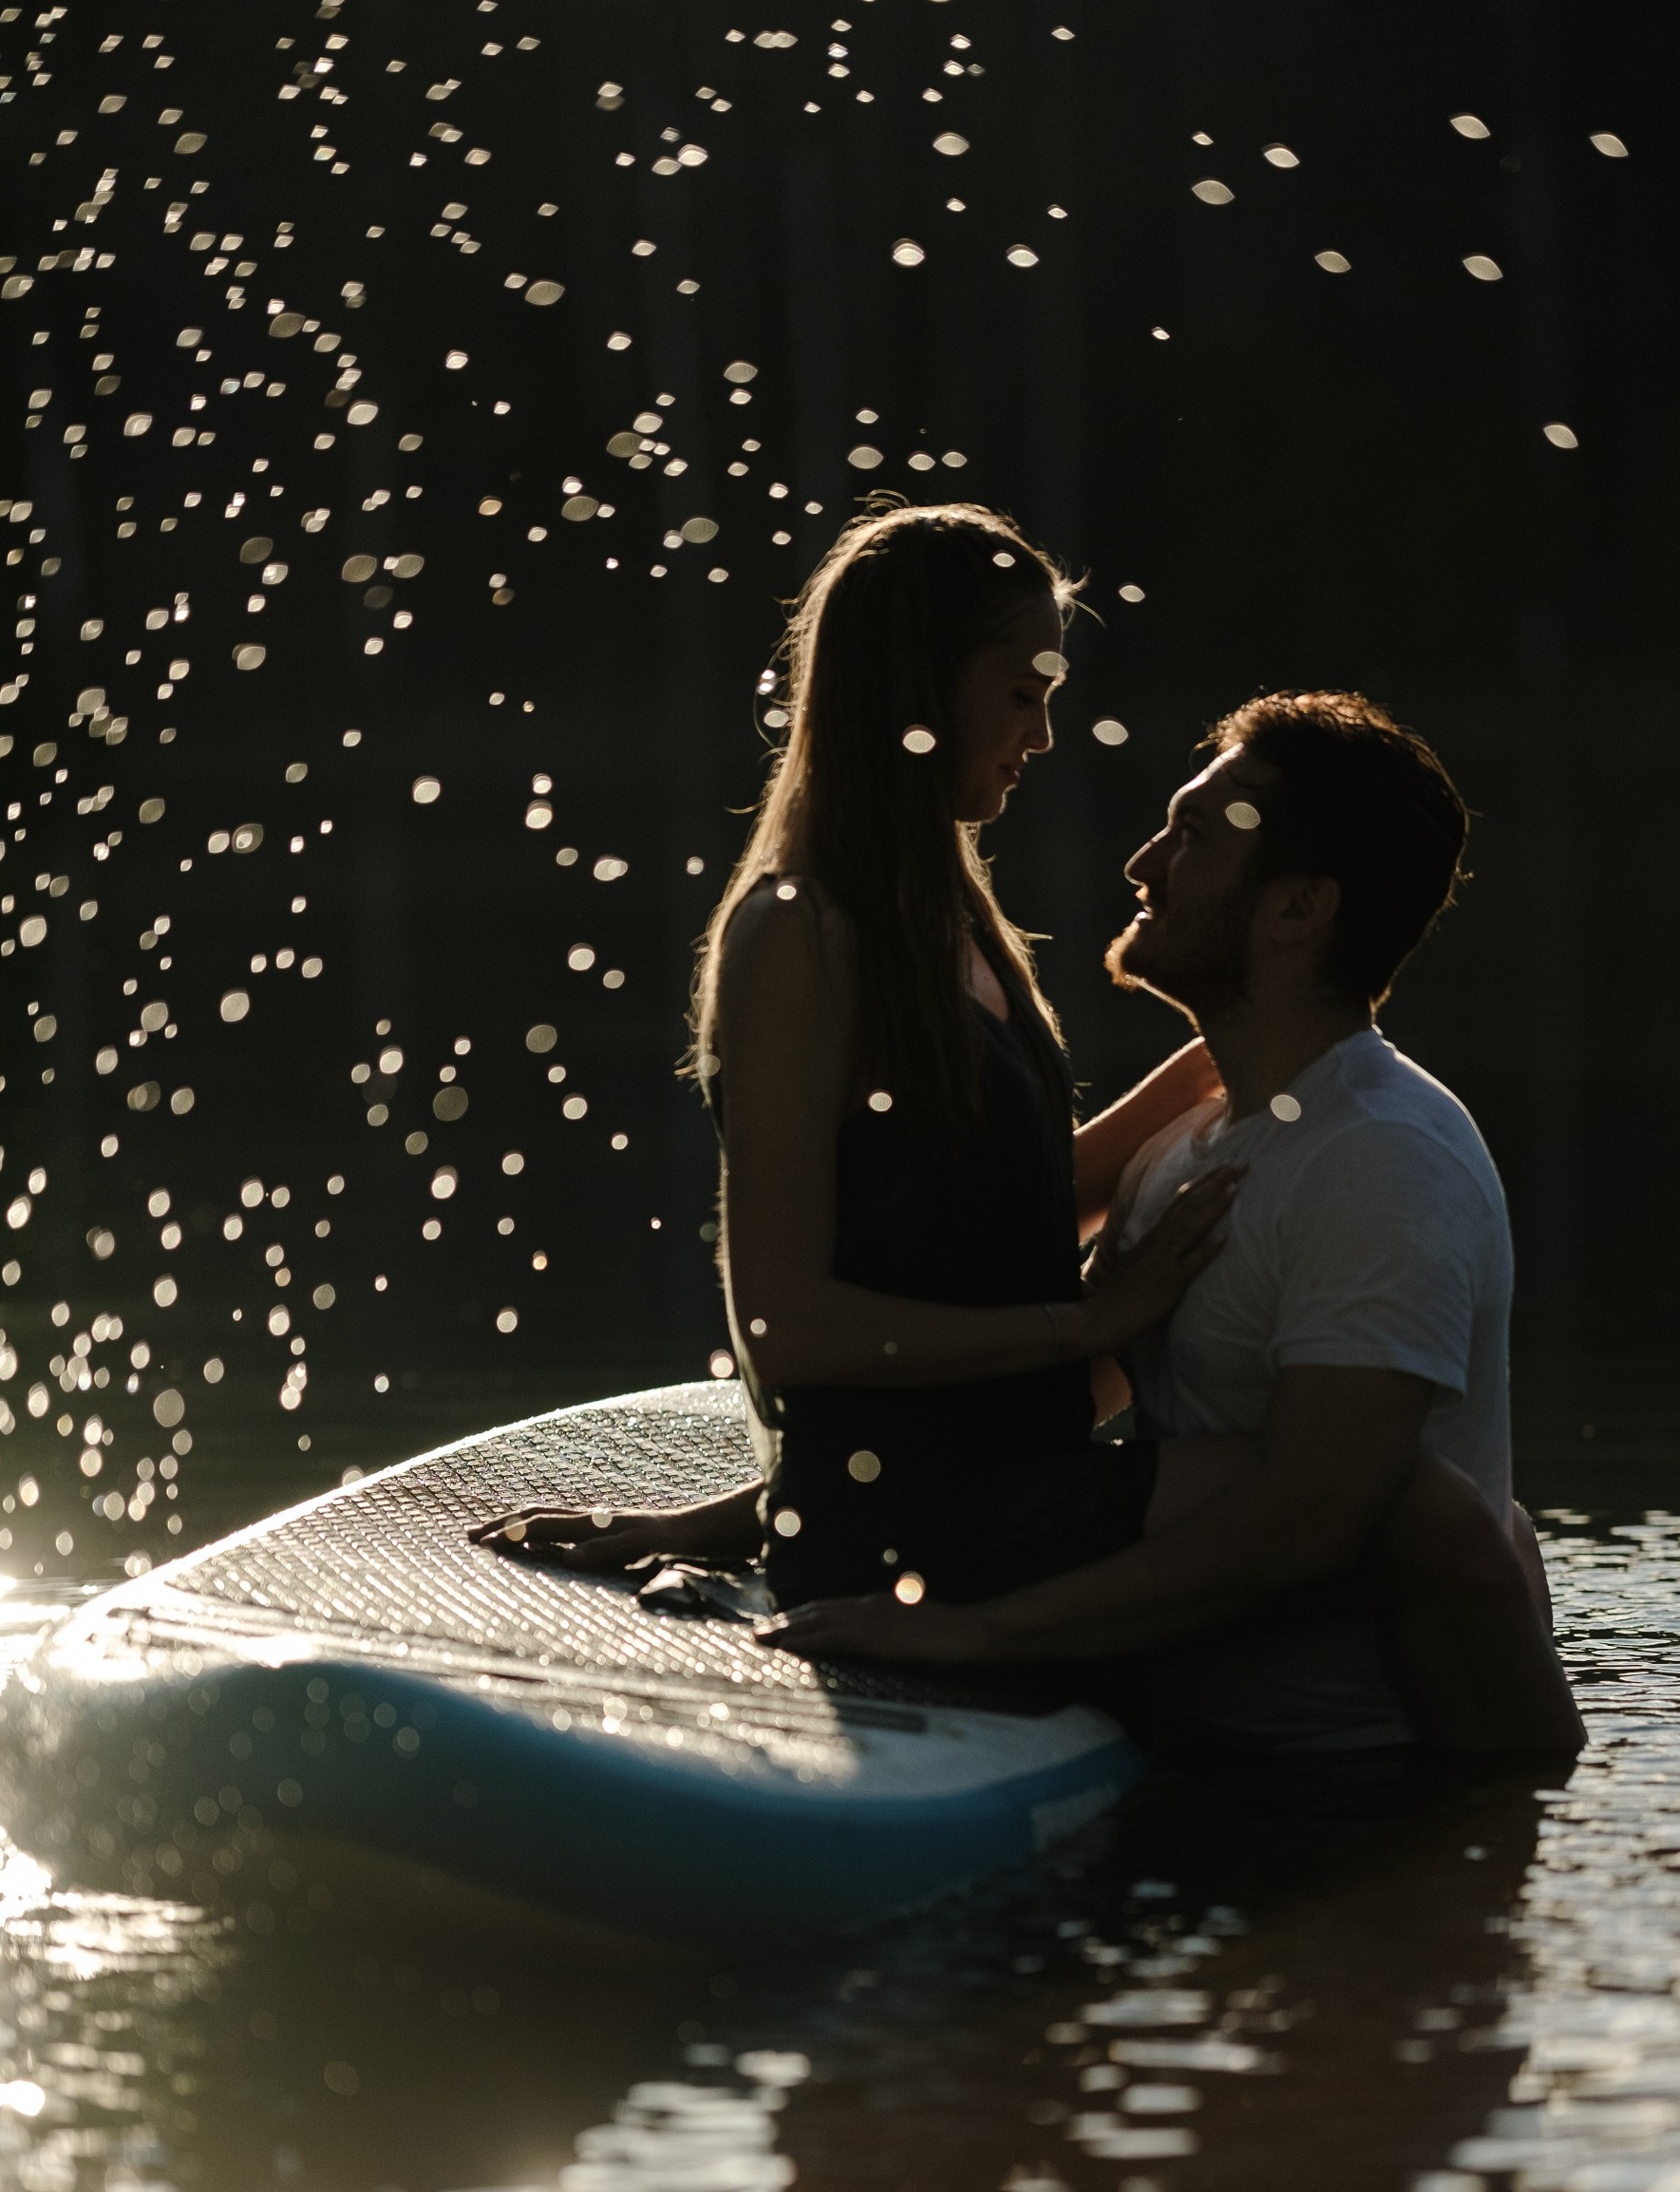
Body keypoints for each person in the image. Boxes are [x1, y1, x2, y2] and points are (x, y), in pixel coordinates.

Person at [765, 690, 1584, 1762]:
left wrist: (971, 1635)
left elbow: (1313, 1518)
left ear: (1296, 911)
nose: (1143, 862)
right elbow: (1034, 1409)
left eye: (1192, 836)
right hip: (1174, 1749)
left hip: (1344, 1788)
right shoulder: (1194, 1147)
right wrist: (756, 1511)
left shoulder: (1381, 1159)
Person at [474, 501, 1239, 1605]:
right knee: (1360, 1497)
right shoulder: (799, 936)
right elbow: (788, 1330)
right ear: (920, 689)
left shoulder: (953, 911)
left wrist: (1227, 1064)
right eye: (1024, 696)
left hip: (1020, 1483)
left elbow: (995, 1212)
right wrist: (1093, 1322)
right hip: (925, 1536)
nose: (1044, 737)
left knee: (1365, 1485)